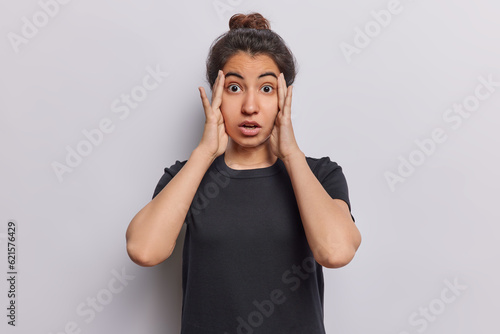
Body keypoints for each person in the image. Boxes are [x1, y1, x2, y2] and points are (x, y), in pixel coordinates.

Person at [126, 12, 361, 334]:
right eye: (235, 87)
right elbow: (144, 250)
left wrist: (292, 155)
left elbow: (335, 252)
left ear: (284, 97)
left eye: (266, 88)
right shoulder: (186, 177)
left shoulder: (320, 174)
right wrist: (204, 154)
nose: (250, 106)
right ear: (215, 95)